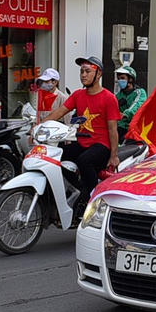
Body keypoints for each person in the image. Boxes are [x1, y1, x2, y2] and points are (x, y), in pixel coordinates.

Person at [43, 56, 121, 217]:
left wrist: (114, 156)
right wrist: (39, 126)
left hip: (101, 145)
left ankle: (92, 198)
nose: (83, 75)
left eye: (87, 71)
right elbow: (59, 112)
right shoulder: (78, 95)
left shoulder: (109, 98)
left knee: (84, 160)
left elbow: (113, 130)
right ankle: (79, 188)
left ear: (98, 74)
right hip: (82, 141)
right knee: (55, 156)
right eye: (81, 71)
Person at [114, 65, 147, 140]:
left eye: (122, 78)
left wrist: (126, 114)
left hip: (134, 129)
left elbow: (137, 104)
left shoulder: (139, 92)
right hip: (119, 128)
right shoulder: (117, 96)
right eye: (118, 79)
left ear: (131, 79)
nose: (119, 81)